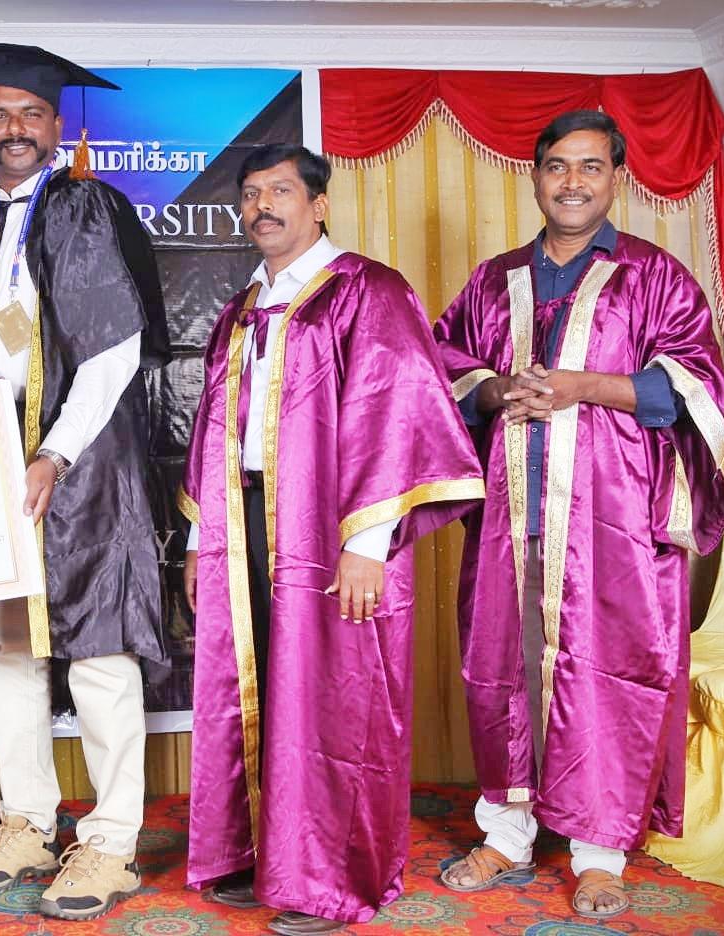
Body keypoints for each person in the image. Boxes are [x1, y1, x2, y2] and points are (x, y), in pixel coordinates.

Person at [179, 144, 484, 935]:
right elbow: (211, 430)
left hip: (333, 529)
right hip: (246, 523)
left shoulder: (368, 291)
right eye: (251, 194)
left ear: (318, 205)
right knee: (258, 689)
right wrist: (202, 541)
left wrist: (369, 544)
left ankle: (333, 880)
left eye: (281, 190)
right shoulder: (240, 310)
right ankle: (263, 855)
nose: (263, 206)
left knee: (337, 701)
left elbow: (394, 415)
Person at [432, 110, 724, 920]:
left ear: (616, 179)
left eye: (590, 167)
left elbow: (695, 387)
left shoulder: (655, 277)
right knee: (504, 668)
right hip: (510, 520)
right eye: (557, 166)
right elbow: (444, 368)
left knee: (606, 675)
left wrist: (582, 387)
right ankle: (508, 834)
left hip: (612, 524)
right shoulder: (493, 281)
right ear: (535, 177)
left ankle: (599, 852)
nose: (572, 182)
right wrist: (496, 389)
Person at [0, 43, 171, 921]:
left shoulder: (87, 208)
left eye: (30, 114)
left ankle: (111, 840)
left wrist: (55, 452)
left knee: (98, 651)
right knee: (8, 645)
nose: (14, 129)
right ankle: (26, 819)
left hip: (83, 462)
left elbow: (116, 350)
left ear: (56, 126)